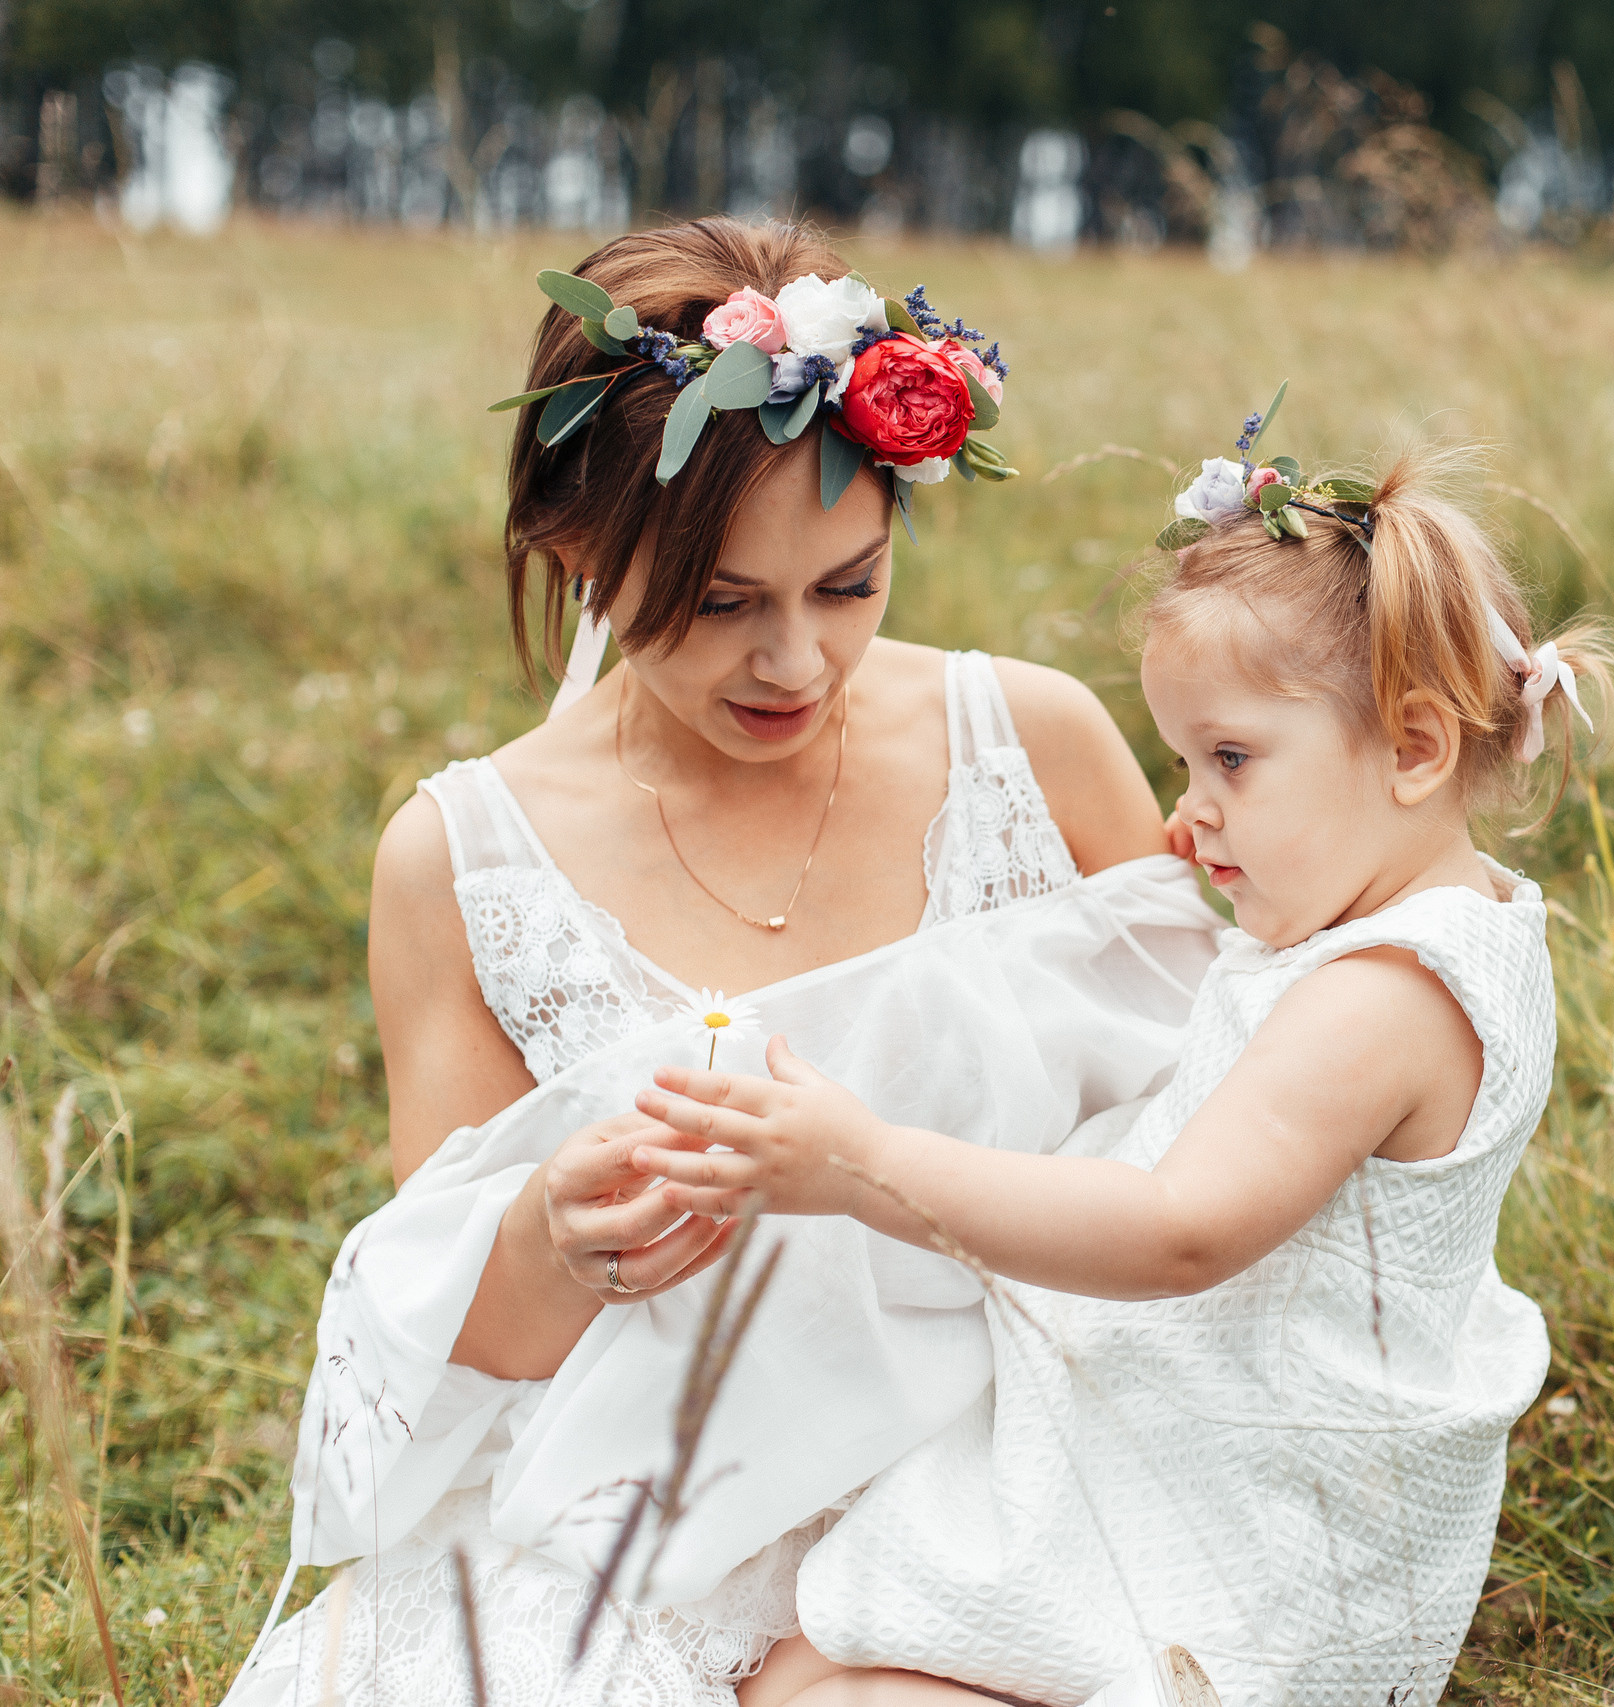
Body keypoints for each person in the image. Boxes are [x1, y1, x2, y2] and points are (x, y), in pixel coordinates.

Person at [227, 217, 1223, 1706]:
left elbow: (1222, 1103)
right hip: (673, 1511)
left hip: (1027, 1461)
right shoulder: (464, 858)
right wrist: (554, 1241)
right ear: (575, 553)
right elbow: (463, 1338)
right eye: (720, 605)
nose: (798, 666)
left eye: (848, 585)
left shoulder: (1035, 739)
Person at [625, 433, 1614, 1707]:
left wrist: (864, 1163)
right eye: (1185, 763)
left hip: (1263, 1551)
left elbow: (1178, 1232)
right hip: (1210, 1452)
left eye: (1231, 761)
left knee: (821, 1686)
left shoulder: (1384, 995)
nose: (1189, 808)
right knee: (805, 1656)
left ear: (1415, 751)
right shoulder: (1408, 923)